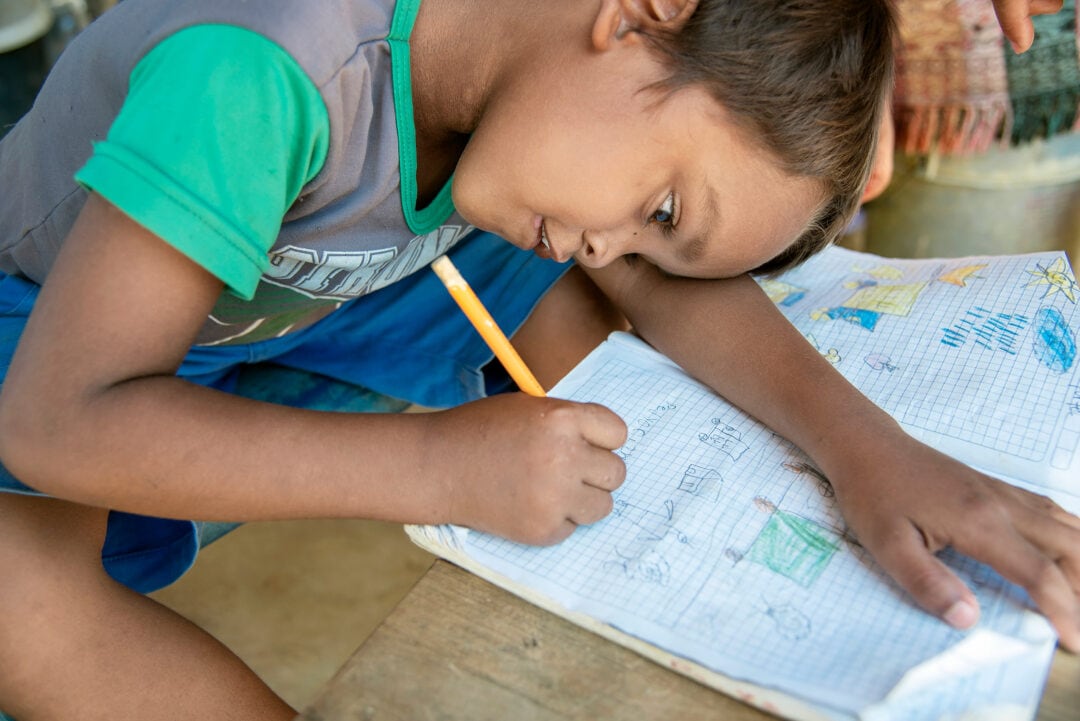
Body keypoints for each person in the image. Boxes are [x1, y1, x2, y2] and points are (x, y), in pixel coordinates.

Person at [0, 0, 1075, 718]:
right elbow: (58, 420)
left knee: (585, 311)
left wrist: (869, 450)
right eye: (661, 207)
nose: (620, 247)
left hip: (306, 294)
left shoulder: (533, 110)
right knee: (24, 608)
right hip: (51, 330)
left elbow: (652, 286)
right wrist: (436, 471)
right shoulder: (262, 71)